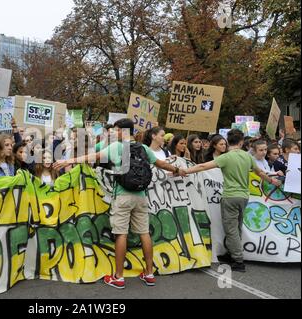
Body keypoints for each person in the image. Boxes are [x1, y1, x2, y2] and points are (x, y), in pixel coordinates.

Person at [53, 118, 186, 289]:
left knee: (121, 234)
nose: (112, 133)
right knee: (144, 233)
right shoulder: (144, 148)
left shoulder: (116, 147)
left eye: (115, 130)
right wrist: (178, 170)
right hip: (141, 196)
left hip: (122, 196)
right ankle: (149, 273)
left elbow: (93, 156)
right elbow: (160, 164)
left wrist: (67, 161)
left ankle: (118, 277)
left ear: (123, 131)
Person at [183, 129, 282, 272]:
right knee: (237, 227)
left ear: (229, 142)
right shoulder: (248, 157)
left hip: (229, 196)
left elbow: (203, 166)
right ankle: (234, 254)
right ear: (242, 142)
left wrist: (184, 171)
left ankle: (238, 260)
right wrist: (272, 180)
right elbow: (260, 172)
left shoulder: (226, 157)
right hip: (244, 197)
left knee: (231, 230)